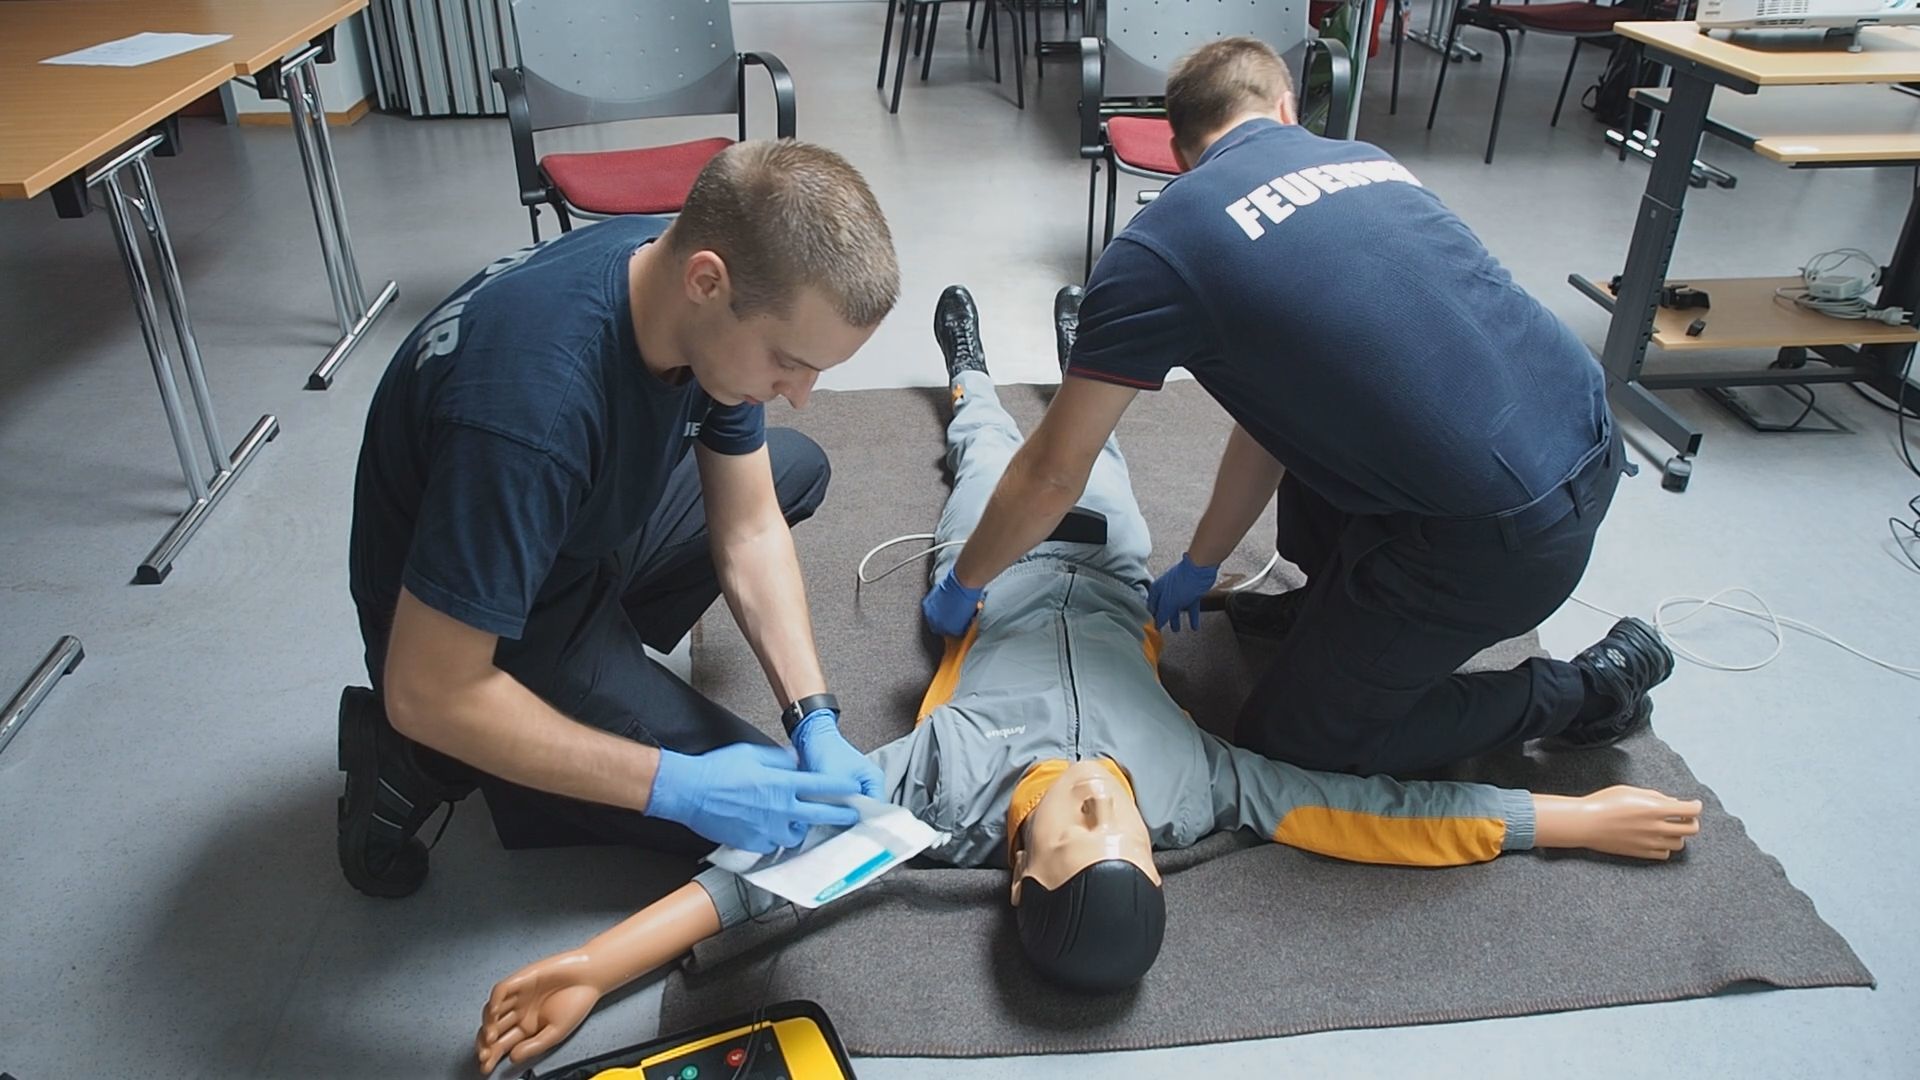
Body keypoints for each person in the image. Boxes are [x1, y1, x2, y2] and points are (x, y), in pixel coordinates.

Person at [471, 290, 1704, 1074]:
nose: (1108, 802)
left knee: (989, 449)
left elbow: (757, 884)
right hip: (1111, 570)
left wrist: (594, 968)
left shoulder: (933, 799)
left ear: (1019, 866)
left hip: (986, 573)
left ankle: (967, 372)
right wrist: (1570, 818)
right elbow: (1387, 815)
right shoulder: (1201, 789)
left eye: (1084, 828)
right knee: (1089, 453)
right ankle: (1070, 362)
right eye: (1136, 838)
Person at [922, 36, 1677, 779]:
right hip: (1588, 436)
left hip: (1491, 539)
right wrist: (1201, 562)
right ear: (1286, 109)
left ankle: (1586, 690)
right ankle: (1336, 610)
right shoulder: (1368, 161)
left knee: (1297, 743)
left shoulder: (1162, 245)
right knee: (1330, 392)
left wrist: (966, 583)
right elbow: (1282, 413)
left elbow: (1054, 474)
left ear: (1180, 154)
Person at [338, 141, 901, 899]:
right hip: (465, 640)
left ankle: (588, 679)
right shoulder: (530, 417)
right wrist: (679, 786)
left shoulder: (664, 271)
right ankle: (423, 762)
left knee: (791, 463)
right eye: (787, 360)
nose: (798, 391)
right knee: (789, 829)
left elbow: (750, 528)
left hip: (558, 536)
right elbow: (426, 689)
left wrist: (814, 718)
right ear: (709, 280)